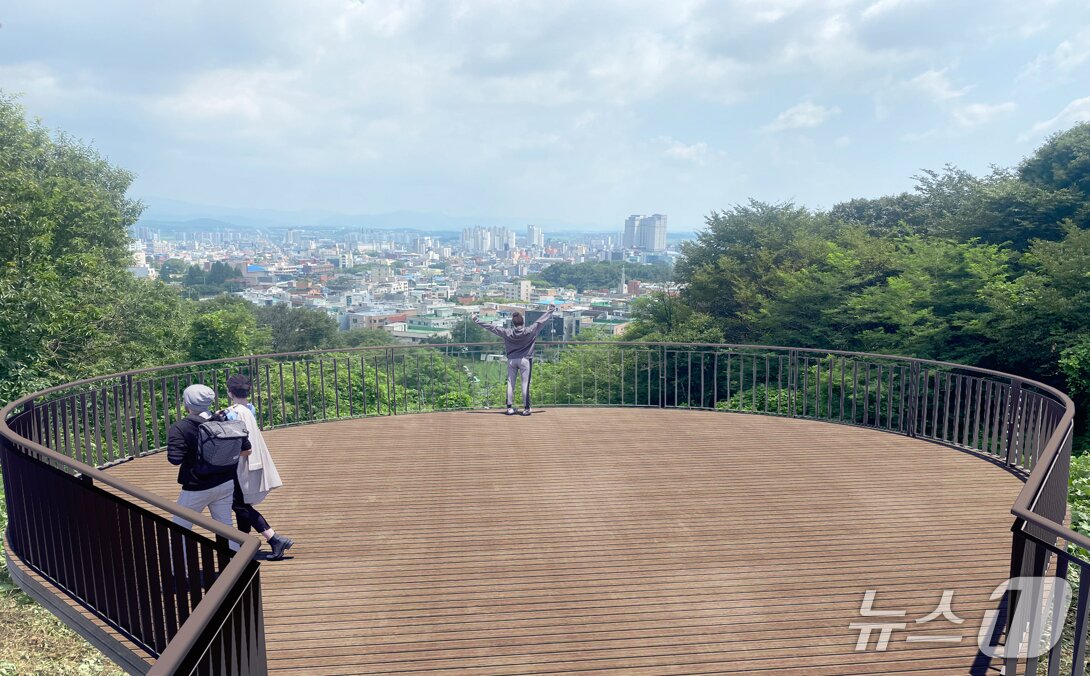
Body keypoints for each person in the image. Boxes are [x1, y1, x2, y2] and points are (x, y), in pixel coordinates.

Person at [224, 374, 294, 560]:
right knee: (242, 504)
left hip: (239, 463)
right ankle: (244, 544)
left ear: (230, 392)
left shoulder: (233, 413)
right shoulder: (250, 409)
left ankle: (274, 539)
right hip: (252, 460)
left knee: (239, 504)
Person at [167, 384, 249, 530]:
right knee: (226, 529)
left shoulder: (180, 427)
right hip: (225, 482)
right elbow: (246, 449)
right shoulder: (224, 420)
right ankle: (234, 553)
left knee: (179, 529)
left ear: (187, 403)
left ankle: (182, 554)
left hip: (196, 486)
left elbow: (175, 459)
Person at [472, 306, 556, 416]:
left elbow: (492, 327)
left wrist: (476, 319)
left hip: (512, 360)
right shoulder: (530, 330)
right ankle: (526, 409)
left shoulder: (507, 332)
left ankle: (509, 408)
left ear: (513, 323)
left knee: (510, 383)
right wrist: (550, 310)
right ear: (523, 322)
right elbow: (540, 321)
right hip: (525, 360)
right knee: (525, 384)